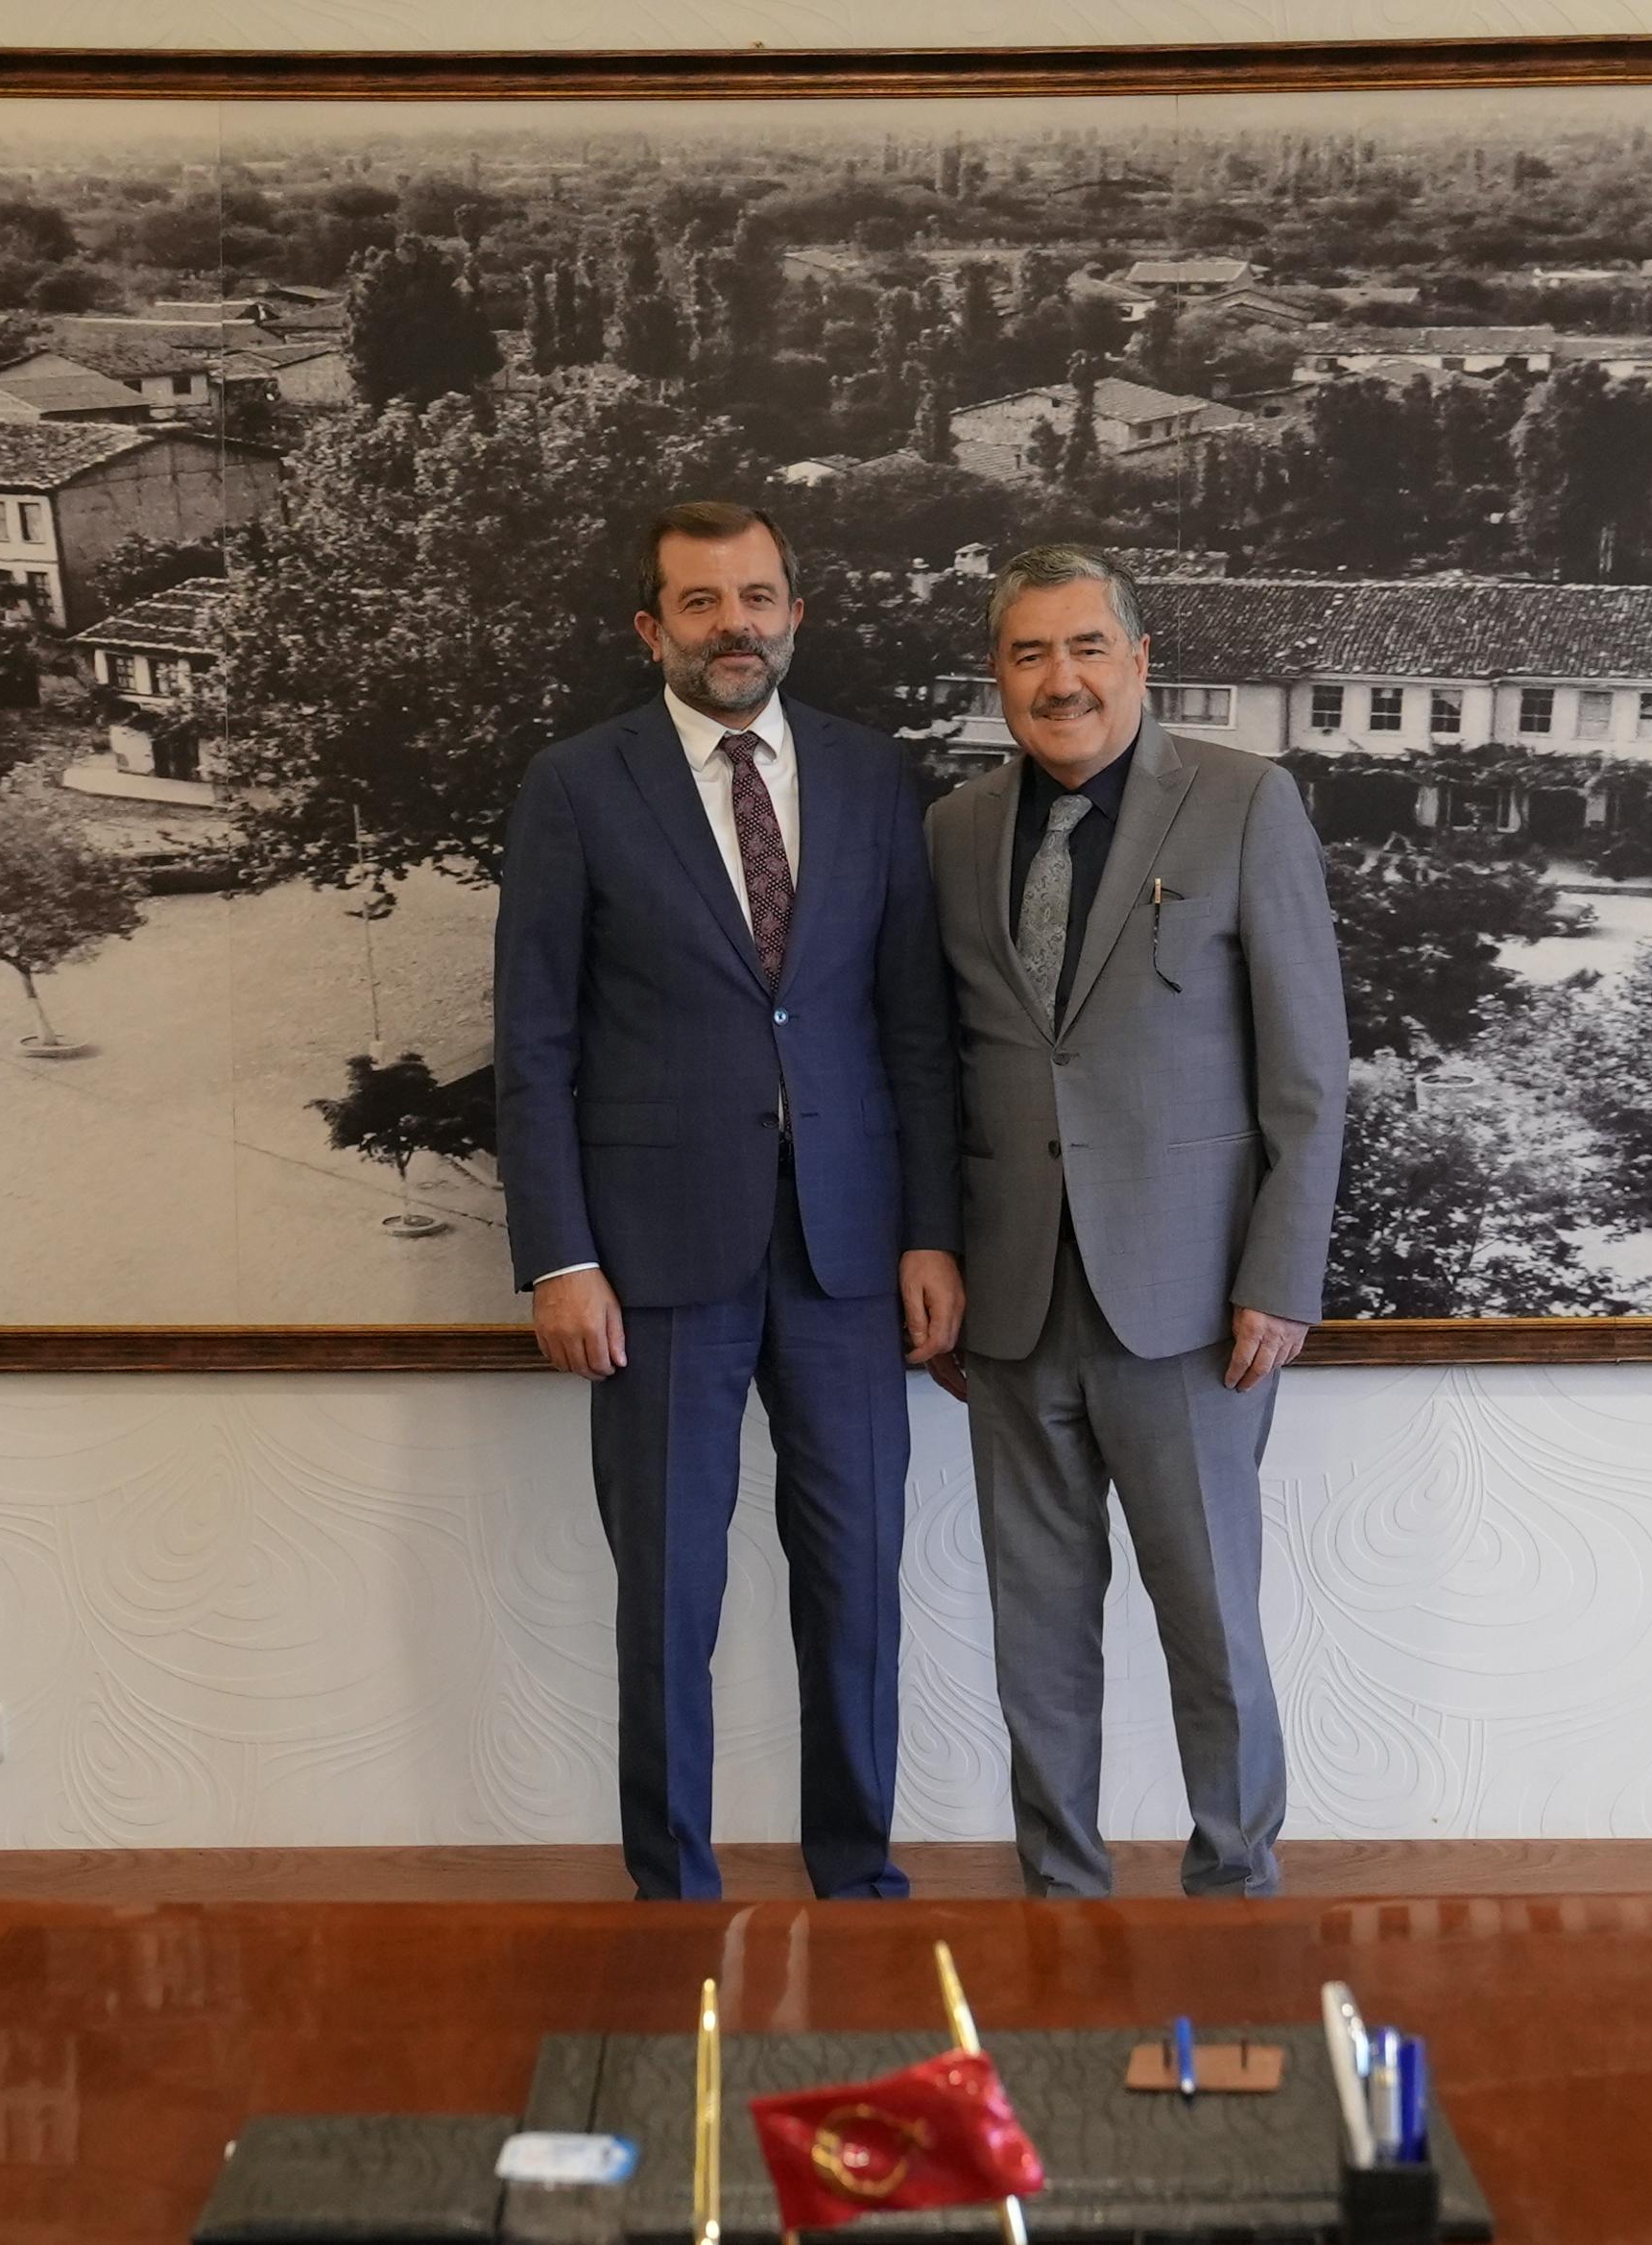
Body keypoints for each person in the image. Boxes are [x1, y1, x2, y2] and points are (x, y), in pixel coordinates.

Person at [491, 499, 964, 1901]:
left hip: (847, 1256)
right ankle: (673, 1899)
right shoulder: (577, 787)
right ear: (653, 629)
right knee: (669, 1597)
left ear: (794, 613)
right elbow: (535, 1043)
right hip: (653, 1264)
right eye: (700, 603)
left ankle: (858, 1883)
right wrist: (559, 1257)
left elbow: (915, 1028)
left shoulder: (873, 777)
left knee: (857, 1587)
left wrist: (931, 1232)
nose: (733, 625)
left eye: (756, 597)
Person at [923, 543, 1346, 1899]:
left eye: (1086, 647)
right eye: (1029, 654)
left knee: (1211, 1624)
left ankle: (1235, 1888)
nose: (1061, 680)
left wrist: (1281, 1275)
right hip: (1010, 1307)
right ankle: (1062, 1895)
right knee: (1036, 1634)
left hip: (1192, 1306)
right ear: (999, 677)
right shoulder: (954, 831)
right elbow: (934, 1066)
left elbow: (1308, 1072)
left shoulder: (1244, 803)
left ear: (1141, 659)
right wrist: (933, 1256)